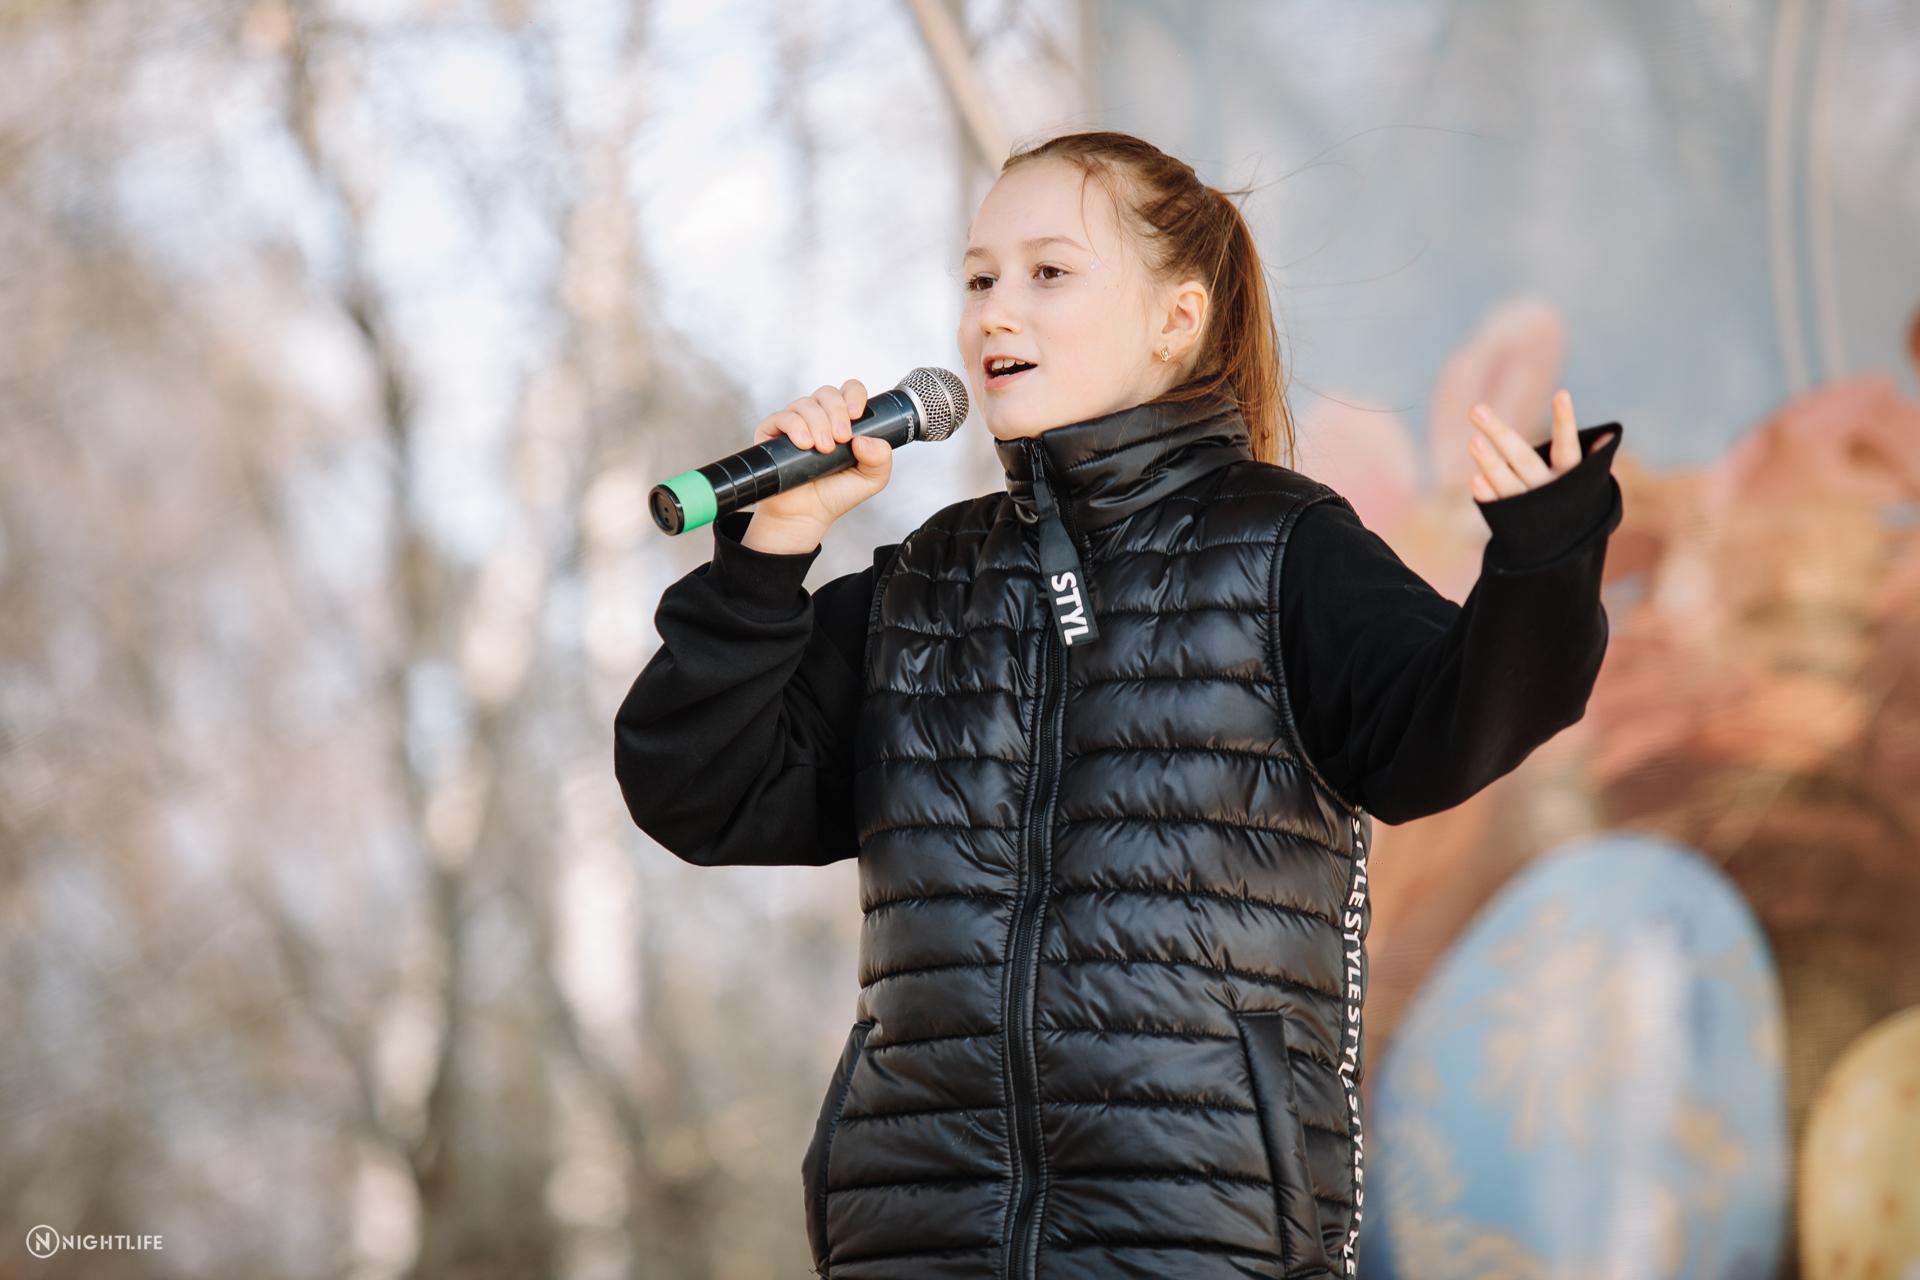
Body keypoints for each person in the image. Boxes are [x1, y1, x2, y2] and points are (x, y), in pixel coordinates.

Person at [615, 130, 1623, 1279]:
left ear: (1175, 319)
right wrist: (769, 553)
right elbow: (698, 788)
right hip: (918, 1239)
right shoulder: (922, 586)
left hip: (1200, 1240)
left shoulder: (1282, 547)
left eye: (1048, 272)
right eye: (979, 278)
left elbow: (1449, 728)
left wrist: (1544, 562)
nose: (996, 310)